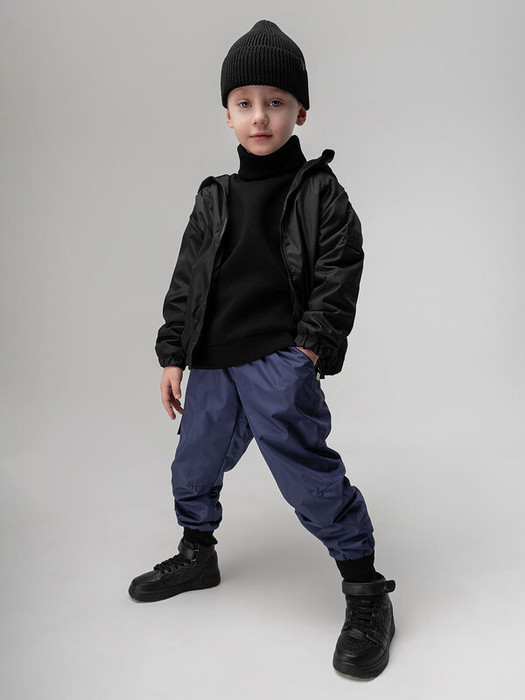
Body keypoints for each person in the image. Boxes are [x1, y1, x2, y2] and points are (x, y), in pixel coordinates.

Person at [128, 19, 396, 680]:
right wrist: (173, 354)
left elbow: (339, 273)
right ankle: (198, 553)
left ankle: (366, 590)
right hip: (214, 361)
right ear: (227, 114)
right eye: (244, 102)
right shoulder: (214, 196)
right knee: (193, 464)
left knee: (307, 476)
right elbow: (187, 279)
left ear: (299, 111)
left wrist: (308, 353)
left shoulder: (319, 192)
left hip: (280, 360)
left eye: (275, 102)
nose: (259, 116)